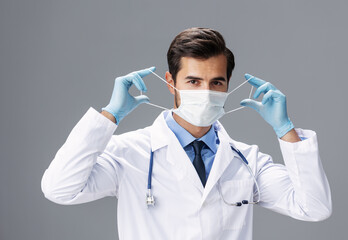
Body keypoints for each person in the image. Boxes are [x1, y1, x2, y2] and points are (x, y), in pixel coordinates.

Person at [41, 27, 332, 240]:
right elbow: (59, 189)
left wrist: (285, 131)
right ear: (171, 82)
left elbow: (315, 208)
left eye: (216, 83)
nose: (205, 93)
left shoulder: (247, 161)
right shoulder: (127, 153)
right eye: (193, 81)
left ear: (228, 85)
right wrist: (109, 115)